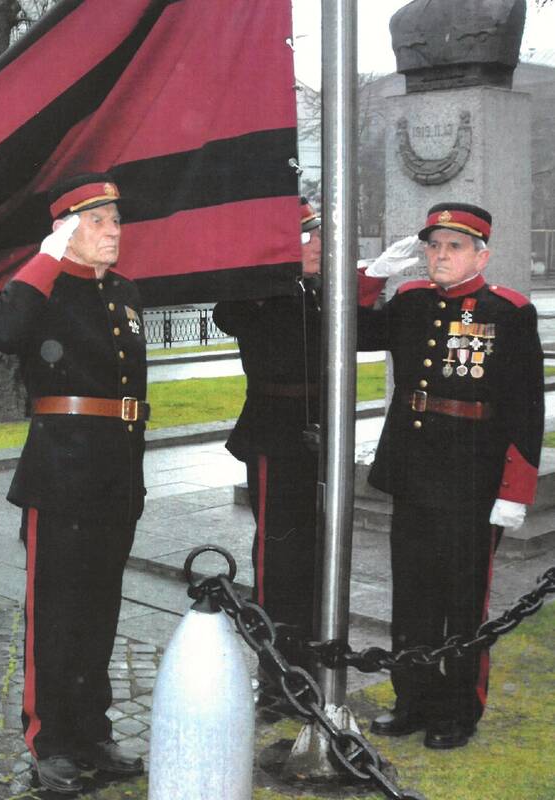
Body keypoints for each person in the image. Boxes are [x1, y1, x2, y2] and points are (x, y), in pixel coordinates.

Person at [357, 203, 544, 750]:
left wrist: (515, 490)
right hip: (414, 472)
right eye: (434, 245)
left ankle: (458, 709)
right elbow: (354, 332)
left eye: (454, 246)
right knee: (412, 598)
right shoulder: (411, 301)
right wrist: (372, 278)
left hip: (473, 480)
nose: (440, 255)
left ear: (481, 255)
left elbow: (525, 407)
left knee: (462, 603)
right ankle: (411, 699)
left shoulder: (509, 312)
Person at [0, 173, 146, 795]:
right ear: (67, 231)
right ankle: (48, 739)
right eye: (99, 221)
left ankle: (91, 731)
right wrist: (44, 259)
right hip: (61, 474)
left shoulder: (126, 293)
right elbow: (2, 334)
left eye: (116, 220)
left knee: (101, 609)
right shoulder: (42, 288)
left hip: (114, 472)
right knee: (55, 612)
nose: (114, 231)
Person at [211, 198, 324, 700]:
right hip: (275, 434)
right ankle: (278, 673)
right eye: (308, 236)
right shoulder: (256, 290)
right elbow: (227, 314)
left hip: (320, 432)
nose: (319, 243)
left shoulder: (319, 289)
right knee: (278, 557)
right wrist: (279, 267)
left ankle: (315, 658)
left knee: (318, 552)